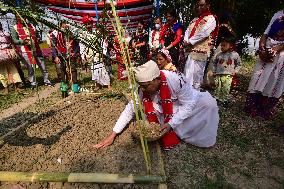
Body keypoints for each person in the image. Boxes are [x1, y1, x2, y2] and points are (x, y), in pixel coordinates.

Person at [94, 60, 219, 150]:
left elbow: (189, 104)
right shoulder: (143, 87)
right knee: (157, 117)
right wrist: (113, 134)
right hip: (163, 108)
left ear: (158, 79)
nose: (142, 90)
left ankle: (195, 136)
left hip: (185, 102)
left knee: (209, 105)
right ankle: (173, 127)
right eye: (141, 86)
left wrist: (170, 124)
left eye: (146, 86)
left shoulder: (175, 79)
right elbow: (130, 109)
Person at [244, 9, 284, 120]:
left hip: (281, 53)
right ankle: (251, 107)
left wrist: (276, 49)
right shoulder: (278, 14)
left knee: (274, 79)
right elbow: (266, 33)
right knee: (259, 76)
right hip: (268, 47)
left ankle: (264, 110)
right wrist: (262, 48)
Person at [183, 0, 218, 90]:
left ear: (208, 5)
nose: (199, 7)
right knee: (187, 73)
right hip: (190, 50)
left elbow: (204, 33)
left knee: (197, 76)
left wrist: (190, 42)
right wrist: (186, 40)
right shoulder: (194, 19)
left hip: (201, 51)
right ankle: (187, 95)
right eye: (198, 5)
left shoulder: (211, 18)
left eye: (202, 5)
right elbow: (187, 31)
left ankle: (195, 97)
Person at [11, 16, 52, 88]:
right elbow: (14, 40)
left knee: (43, 66)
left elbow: (37, 37)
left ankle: (47, 80)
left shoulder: (32, 26)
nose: (23, 18)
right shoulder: (14, 28)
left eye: (23, 17)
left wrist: (38, 40)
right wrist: (23, 41)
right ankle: (33, 82)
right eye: (20, 17)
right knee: (30, 68)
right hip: (25, 51)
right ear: (18, 18)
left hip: (37, 49)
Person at [79, 15, 111, 90]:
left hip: (98, 53)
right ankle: (97, 84)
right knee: (94, 70)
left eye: (89, 24)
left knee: (102, 68)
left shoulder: (96, 32)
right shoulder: (82, 34)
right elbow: (82, 45)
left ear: (92, 24)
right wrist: (83, 56)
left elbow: (102, 42)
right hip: (90, 54)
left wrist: (103, 52)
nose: (88, 26)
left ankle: (108, 84)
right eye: (86, 24)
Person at [52, 21, 80, 96]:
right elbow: (54, 45)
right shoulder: (56, 33)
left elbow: (77, 44)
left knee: (73, 70)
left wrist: (75, 52)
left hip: (71, 54)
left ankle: (75, 88)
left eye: (66, 24)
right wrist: (56, 56)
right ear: (60, 26)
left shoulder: (71, 33)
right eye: (63, 24)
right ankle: (64, 89)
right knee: (63, 71)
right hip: (61, 55)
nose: (65, 26)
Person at [213, 37, 241, 106]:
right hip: (218, 74)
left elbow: (239, 64)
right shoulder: (219, 55)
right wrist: (214, 70)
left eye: (224, 45)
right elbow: (214, 63)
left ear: (231, 46)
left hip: (228, 75)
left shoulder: (235, 54)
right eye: (221, 45)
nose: (222, 47)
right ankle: (216, 99)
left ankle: (224, 99)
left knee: (226, 88)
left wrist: (235, 71)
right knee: (217, 87)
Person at [0, 22, 22, 94]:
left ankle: (15, 88)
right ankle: (8, 88)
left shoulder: (6, 34)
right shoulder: (6, 33)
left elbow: (12, 43)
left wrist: (14, 50)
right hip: (5, 54)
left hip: (7, 54)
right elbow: (12, 43)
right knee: (5, 71)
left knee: (10, 70)